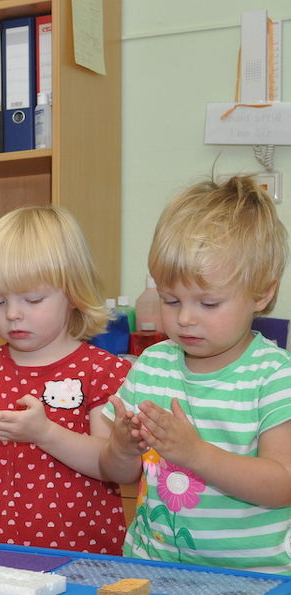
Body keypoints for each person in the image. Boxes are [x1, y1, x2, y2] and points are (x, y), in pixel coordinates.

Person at [100, 176, 291, 572]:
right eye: (171, 300)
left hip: (256, 579)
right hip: (152, 567)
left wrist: (195, 453)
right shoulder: (151, 365)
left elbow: (281, 484)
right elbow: (118, 473)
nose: (185, 318)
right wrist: (121, 447)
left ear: (262, 294)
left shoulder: (273, 376)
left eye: (208, 303)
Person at [0, 206, 132, 553]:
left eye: (32, 299)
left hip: (78, 548)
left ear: (74, 294)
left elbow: (110, 463)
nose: (13, 313)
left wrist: (44, 433)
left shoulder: (101, 371)